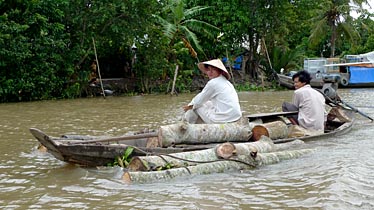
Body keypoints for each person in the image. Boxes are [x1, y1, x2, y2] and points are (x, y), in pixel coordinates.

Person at [183, 59, 242, 124]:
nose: (210, 72)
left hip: (224, 119)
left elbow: (199, 100)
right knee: (206, 103)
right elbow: (202, 98)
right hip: (236, 116)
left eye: (213, 69)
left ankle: (188, 125)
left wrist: (189, 106)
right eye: (208, 70)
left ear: (220, 71)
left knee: (195, 107)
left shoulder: (213, 83)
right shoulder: (227, 83)